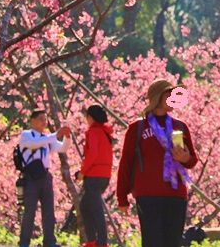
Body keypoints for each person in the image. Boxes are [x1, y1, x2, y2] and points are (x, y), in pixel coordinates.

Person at [116, 79, 199, 247]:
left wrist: (184, 158)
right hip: (148, 194)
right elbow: (126, 163)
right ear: (158, 97)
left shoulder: (180, 126)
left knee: (173, 242)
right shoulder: (137, 128)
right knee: (152, 241)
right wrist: (121, 197)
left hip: (176, 194)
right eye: (170, 94)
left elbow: (192, 160)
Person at [17, 108, 71, 247]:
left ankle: (49, 242)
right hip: (30, 177)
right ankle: (24, 243)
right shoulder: (26, 135)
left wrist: (67, 136)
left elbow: (62, 148)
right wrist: (56, 134)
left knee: (49, 211)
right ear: (32, 121)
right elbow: (35, 144)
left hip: (45, 176)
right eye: (41, 119)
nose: (44, 122)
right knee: (29, 211)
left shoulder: (47, 138)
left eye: (45, 119)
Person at [79, 104, 114, 247]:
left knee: (96, 209)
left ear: (90, 117)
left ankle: (101, 242)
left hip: (93, 175)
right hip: (104, 175)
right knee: (85, 206)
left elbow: (92, 153)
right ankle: (92, 241)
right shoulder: (105, 132)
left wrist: (82, 172)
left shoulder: (93, 132)